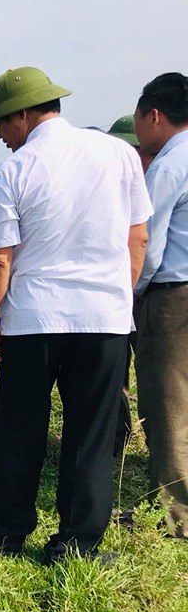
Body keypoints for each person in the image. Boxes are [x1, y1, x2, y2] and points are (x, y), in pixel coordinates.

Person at [0, 66, 152, 564]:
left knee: (19, 430)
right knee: (91, 433)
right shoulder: (120, 155)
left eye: (0, 123)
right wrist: (117, 295)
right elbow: (136, 237)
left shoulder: (15, 170)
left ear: (25, 114)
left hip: (34, 322)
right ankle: (77, 544)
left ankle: (9, 536)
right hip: (104, 321)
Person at [132, 72, 188, 540]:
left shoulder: (168, 166)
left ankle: (176, 519)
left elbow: (148, 244)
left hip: (173, 299)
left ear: (154, 115)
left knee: (167, 403)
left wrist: (133, 290)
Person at [105, 114, 155, 456]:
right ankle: (114, 442)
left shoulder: (162, 178)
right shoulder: (113, 184)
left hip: (148, 291)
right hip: (123, 289)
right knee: (115, 374)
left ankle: (160, 449)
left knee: (155, 376)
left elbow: (144, 241)